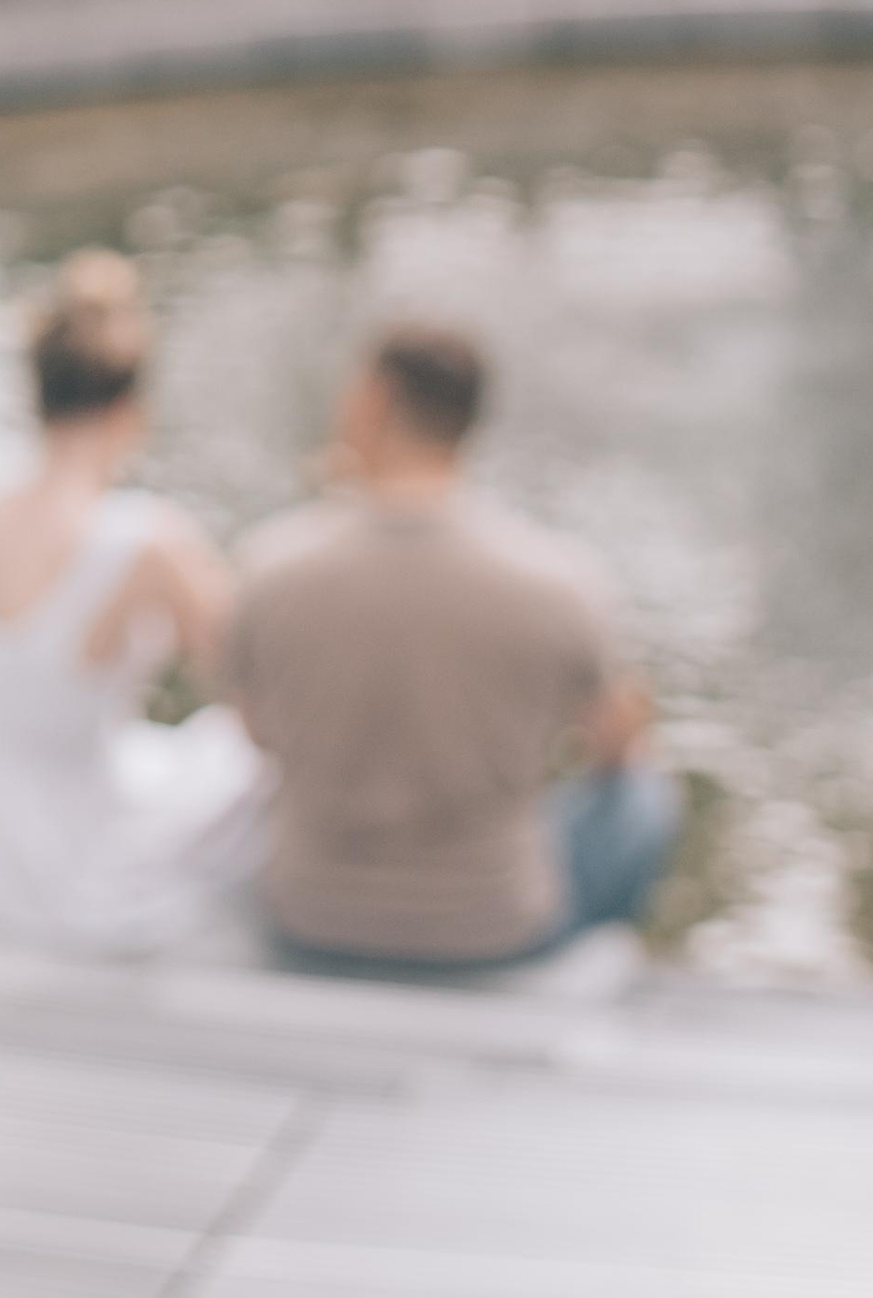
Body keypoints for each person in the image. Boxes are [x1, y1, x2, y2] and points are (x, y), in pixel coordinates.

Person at [227, 323, 681, 976]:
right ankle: (591, 969)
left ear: (374, 402)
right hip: (490, 927)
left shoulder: (271, 565)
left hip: (309, 916)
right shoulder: (556, 580)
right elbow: (616, 742)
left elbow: (258, 733)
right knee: (642, 795)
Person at [0, 253, 266, 953]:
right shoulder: (149, 540)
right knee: (243, 761)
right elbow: (253, 679)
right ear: (130, 410)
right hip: (61, 834)